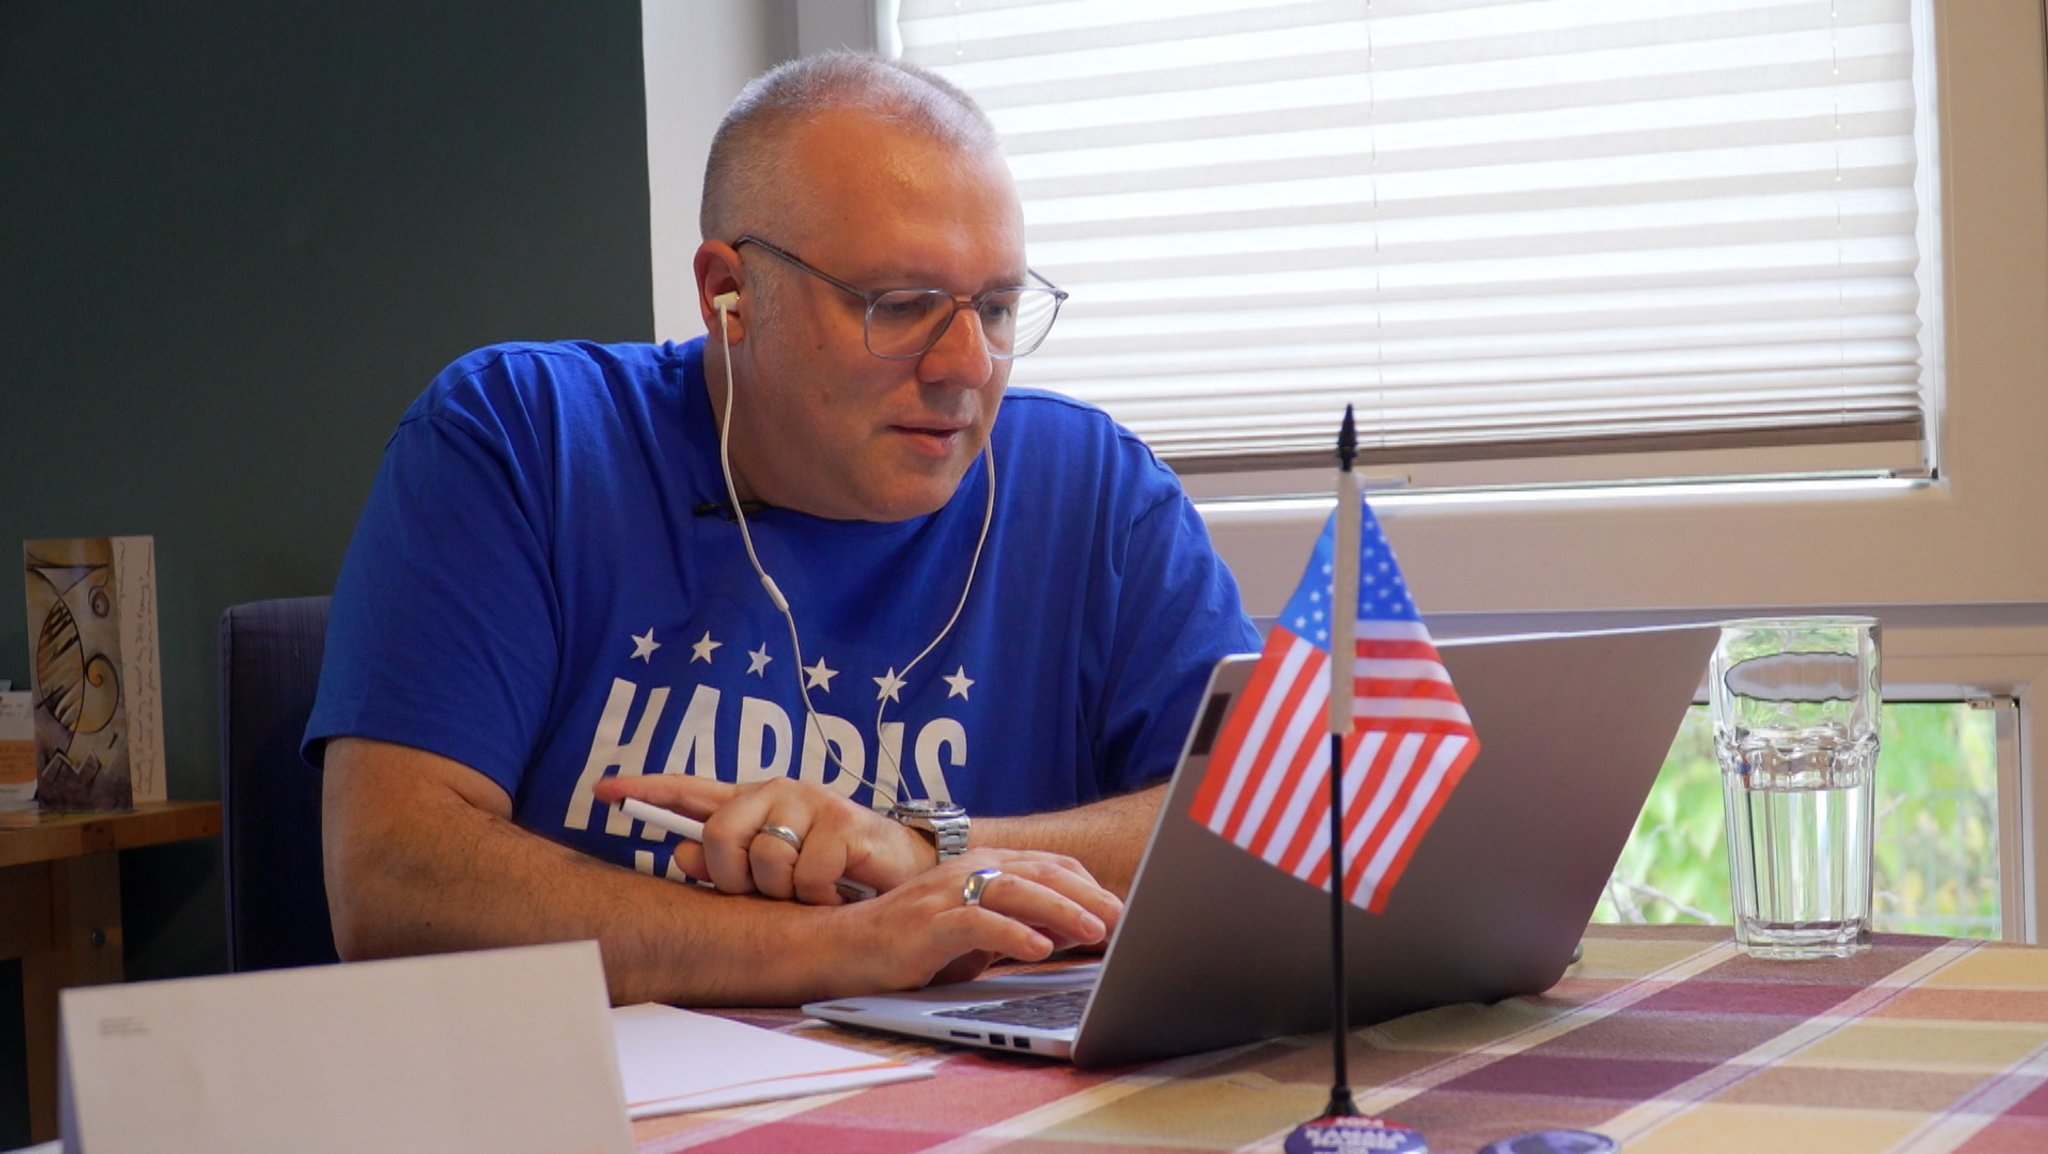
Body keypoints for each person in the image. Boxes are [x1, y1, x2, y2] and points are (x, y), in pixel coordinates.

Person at [306, 51, 1260, 1007]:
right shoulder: (526, 439)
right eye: (902, 305)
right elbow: (394, 881)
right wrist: (840, 946)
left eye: (998, 307)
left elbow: (1268, 823)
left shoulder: (1094, 491)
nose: (968, 365)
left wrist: (924, 848)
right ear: (730, 293)